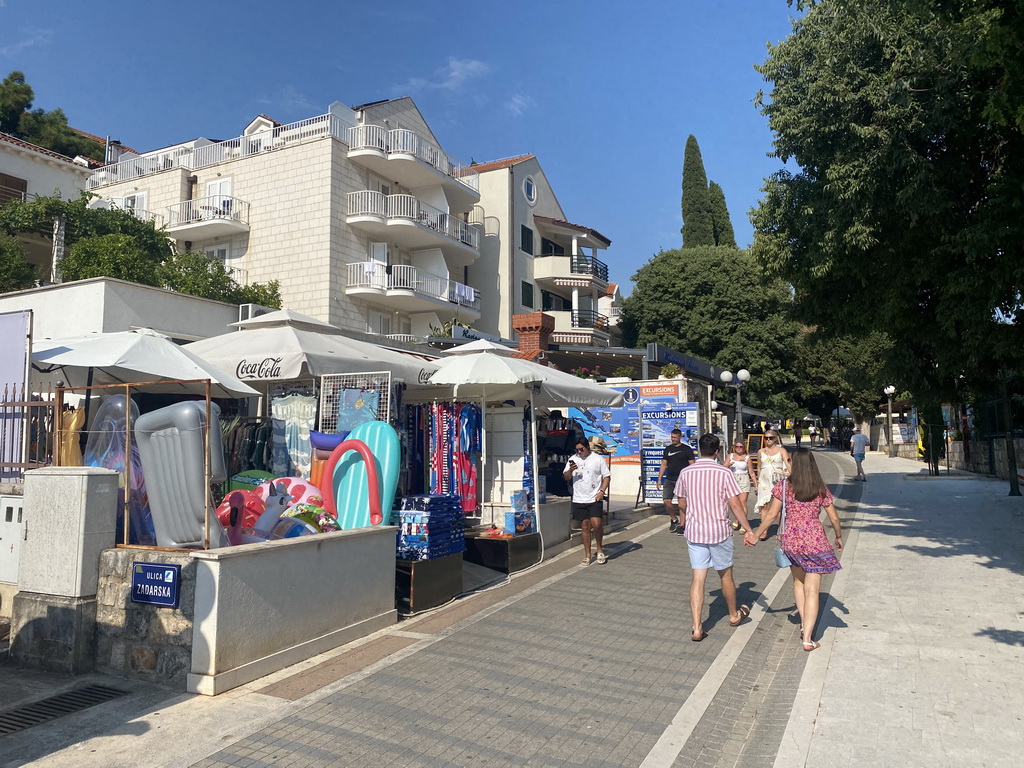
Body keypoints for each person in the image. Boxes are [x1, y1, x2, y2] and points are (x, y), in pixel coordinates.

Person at [752, 447, 842, 651]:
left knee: (798, 583)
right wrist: (838, 536)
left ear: (794, 463)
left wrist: (756, 535)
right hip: (815, 541)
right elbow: (834, 518)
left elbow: (772, 515)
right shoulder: (820, 488)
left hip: (791, 540)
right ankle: (808, 638)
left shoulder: (784, 487)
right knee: (813, 590)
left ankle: (803, 624)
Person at [675, 433, 755, 641]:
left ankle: (696, 627)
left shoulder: (686, 472)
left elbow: (681, 502)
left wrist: (690, 515)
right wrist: (748, 529)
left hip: (695, 531)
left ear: (699, 450)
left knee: (698, 578)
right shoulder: (723, 473)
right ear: (718, 451)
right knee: (725, 575)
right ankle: (734, 614)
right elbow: (735, 504)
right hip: (719, 531)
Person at [564, 438, 611, 565]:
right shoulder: (573, 459)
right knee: (584, 526)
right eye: (577, 450)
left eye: (581, 449)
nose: (579, 452)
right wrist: (570, 470)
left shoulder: (597, 459)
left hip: (594, 497)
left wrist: (602, 491)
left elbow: (607, 477)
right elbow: (566, 477)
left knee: (596, 524)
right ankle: (587, 554)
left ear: (587, 447)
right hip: (579, 498)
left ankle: (600, 549)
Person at [656, 428, 695, 533]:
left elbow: (692, 464)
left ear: (680, 437)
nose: (673, 439)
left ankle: (682, 525)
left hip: (682, 479)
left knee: (681, 504)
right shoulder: (668, 449)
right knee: (666, 501)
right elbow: (664, 464)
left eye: (675, 437)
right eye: (672, 437)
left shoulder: (686, 449)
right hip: (669, 479)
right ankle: (674, 519)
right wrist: (659, 479)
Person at [754, 429, 791, 540]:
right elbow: (759, 467)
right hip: (764, 481)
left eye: (771, 438)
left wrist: (791, 475)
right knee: (764, 506)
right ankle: (764, 530)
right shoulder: (761, 452)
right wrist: (757, 482)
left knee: (778, 507)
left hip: (777, 480)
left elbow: (788, 464)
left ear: (775, 439)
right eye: (766, 438)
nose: (768, 440)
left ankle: (781, 531)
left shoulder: (781, 451)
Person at [723, 440, 757, 533]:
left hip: (743, 479)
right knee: (732, 502)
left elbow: (751, 472)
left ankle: (743, 524)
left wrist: (755, 484)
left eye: (741, 447)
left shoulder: (747, 458)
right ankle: (737, 519)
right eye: (736, 446)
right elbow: (723, 467)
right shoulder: (730, 456)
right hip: (732, 479)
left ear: (744, 448)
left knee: (742, 502)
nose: (738, 448)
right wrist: (728, 465)